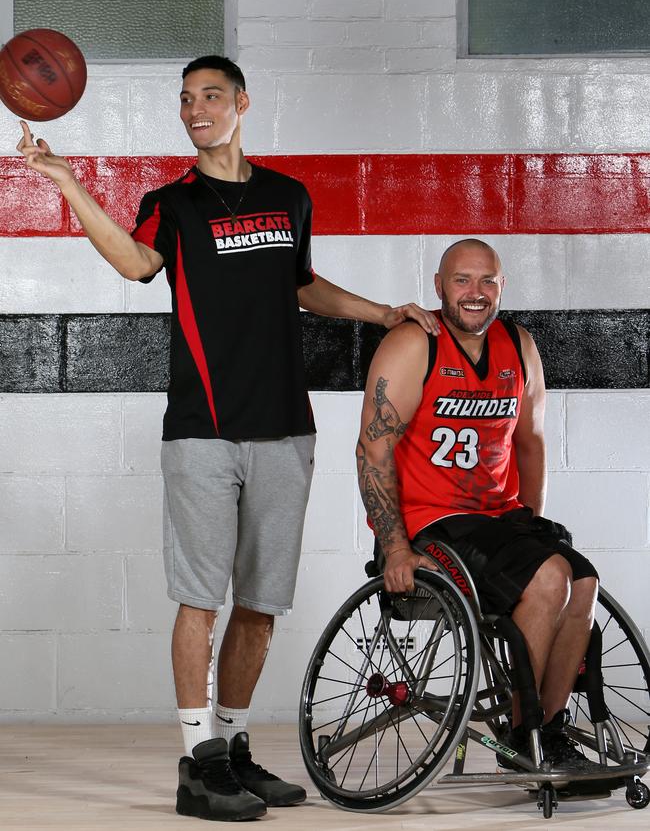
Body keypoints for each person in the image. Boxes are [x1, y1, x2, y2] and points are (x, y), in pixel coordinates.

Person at [17, 55, 438, 823]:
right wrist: (69, 184)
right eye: (186, 100)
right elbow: (136, 261)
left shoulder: (288, 196)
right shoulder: (172, 203)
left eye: (211, 95)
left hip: (286, 428)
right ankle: (198, 759)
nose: (196, 108)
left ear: (243, 103)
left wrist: (384, 313)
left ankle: (236, 747)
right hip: (203, 430)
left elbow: (302, 284)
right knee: (199, 601)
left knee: (260, 604)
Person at [356, 237, 603, 786]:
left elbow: (532, 443)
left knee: (580, 579)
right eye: (462, 280)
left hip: (497, 520)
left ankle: (545, 729)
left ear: (502, 287)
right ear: (440, 287)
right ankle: (524, 738)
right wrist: (395, 546)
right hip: (432, 524)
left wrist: (530, 526)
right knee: (549, 578)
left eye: (487, 280)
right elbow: (372, 450)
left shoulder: (519, 346)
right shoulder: (413, 344)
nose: (476, 292)